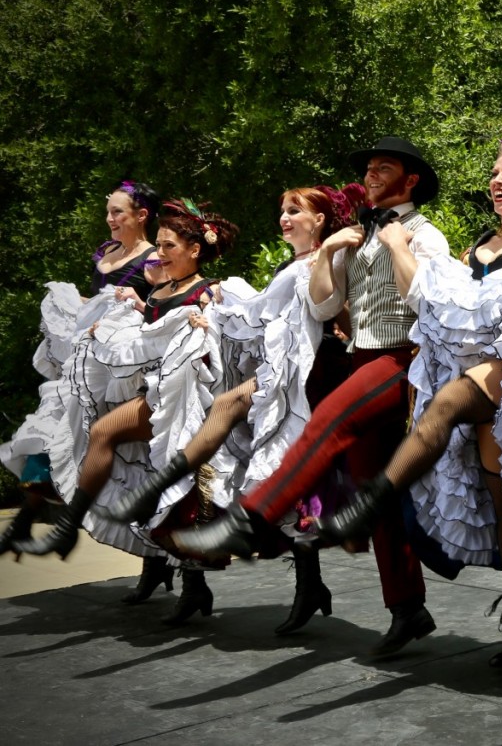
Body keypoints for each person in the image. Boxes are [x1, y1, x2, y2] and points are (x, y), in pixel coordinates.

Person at [171, 137, 450, 655]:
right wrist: (329, 250)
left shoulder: (425, 234)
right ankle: (408, 608)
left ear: (410, 181)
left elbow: (431, 303)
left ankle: (249, 520)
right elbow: (324, 309)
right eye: (368, 167)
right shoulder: (355, 237)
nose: (370, 174)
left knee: (327, 420)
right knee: (374, 489)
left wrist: (396, 248)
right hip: (363, 356)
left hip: (406, 359)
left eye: (382, 168)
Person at [316, 129, 502, 667]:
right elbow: (448, 310)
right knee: (501, 507)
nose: (499, 182)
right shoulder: (476, 246)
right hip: (480, 374)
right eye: (496, 173)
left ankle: (376, 496)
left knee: (451, 407)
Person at [101, 185, 363, 633]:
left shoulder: (326, 259)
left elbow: (315, 312)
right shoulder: (294, 264)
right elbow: (269, 316)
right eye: (282, 210)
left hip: (304, 377)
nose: (284, 217)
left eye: (294, 211)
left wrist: (220, 313)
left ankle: (299, 582)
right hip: (277, 374)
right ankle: (264, 581)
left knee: (271, 467)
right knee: (255, 469)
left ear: (320, 220)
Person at [14, 199, 237, 625]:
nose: (160, 252)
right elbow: (145, 333)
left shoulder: (208, 291)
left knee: (103, 434)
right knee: (138, 475)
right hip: (147, 391)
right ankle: (186, 583)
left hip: (181, 400)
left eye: (169, 245)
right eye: (160, 245)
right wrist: (122, 315)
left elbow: (225, 346)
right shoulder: (160, 290)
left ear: (194, 249)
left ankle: (69, 525)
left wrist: (208, 326)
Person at [0, 181, 166, 605]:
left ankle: (159, 562)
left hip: (127, 369)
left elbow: (161, 309)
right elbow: (94, 301)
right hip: (90, 358)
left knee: (136, 467)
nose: (109, 219)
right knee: (55, 422)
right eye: (108, 212)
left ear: (141, 215)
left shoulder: (154, 258)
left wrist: (133, 304)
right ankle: (30, 512)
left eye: (118, 212)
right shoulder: (107, 254)